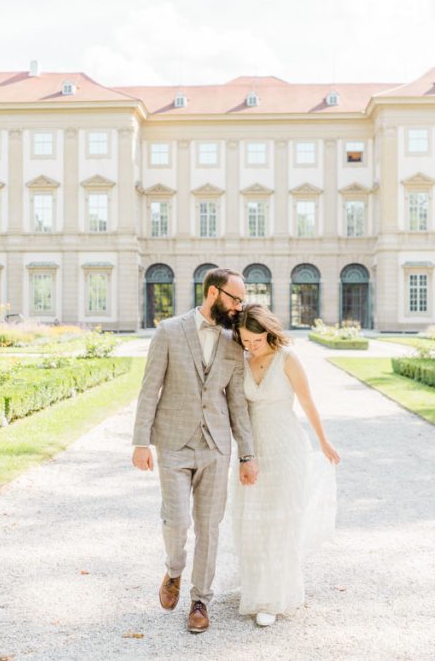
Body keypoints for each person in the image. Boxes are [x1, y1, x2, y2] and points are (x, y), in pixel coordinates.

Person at [131, 268, 259, 634]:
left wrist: (247, 455)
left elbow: (237, 405)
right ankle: (174, 570)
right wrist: (141, 441)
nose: (240, 307)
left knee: (209, 527)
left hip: (216, 446)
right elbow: (149, 388)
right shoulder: (169, 331)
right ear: (214, 294)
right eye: (236, 299)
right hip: (173, 442)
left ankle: (201, 600)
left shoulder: (235, 342)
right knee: (177, 521)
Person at [228, 303, 339, 627]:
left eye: (255, 341)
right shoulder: (241, 360)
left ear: (268, 333)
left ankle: (273, 598)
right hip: (253, 450)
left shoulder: (288, 359)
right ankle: (255, 588)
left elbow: (307, 402)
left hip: (286, 446)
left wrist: (323, 441)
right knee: (252, 522)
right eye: (245, 341)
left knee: (280, 523)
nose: (250, 347)